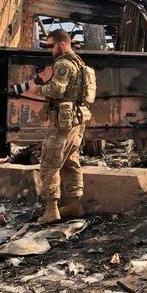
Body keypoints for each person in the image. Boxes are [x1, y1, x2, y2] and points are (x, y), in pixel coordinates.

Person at [21, 29, 88, 224]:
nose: (49, 50)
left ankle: (51, 210)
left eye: (51, 46)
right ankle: (75, 205)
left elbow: (57, 89)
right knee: (70, 162)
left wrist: (37, 89)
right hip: (75, 120)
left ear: (63, 44)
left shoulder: (64, 64)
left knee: (49, 164)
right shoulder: (79, 62)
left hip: (63, 122)